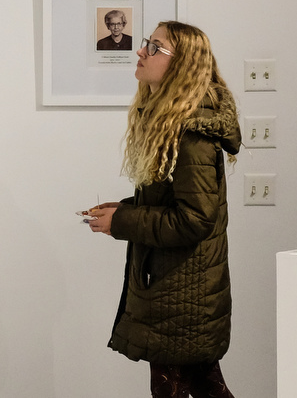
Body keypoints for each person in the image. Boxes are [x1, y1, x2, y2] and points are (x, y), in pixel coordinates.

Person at [86, 21, 241, 398]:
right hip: (182, 290)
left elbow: (194, 219)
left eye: (155, 48)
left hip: (183, 294)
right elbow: (175, 204)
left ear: (182, 65)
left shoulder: (191, 132)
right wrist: (124, 209)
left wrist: (122, 221)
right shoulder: (172, 123)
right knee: (208, 388)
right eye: (146, 44)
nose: (141, 52)